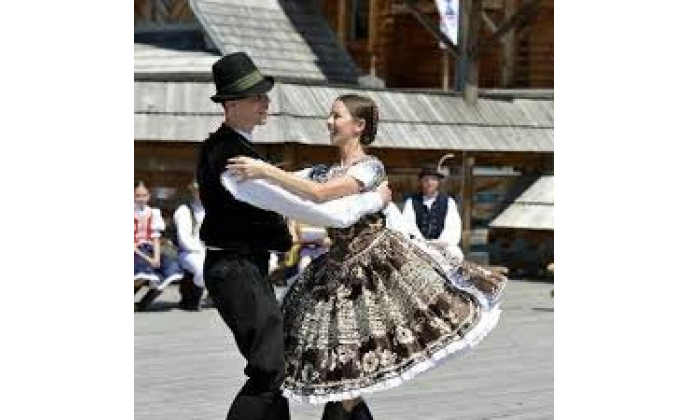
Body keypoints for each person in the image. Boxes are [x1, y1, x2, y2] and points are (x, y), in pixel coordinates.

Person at [225, 94, 507, 420]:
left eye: (336, 116)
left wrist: (266, 171)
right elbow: (298, 185)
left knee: (350, 382)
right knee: (345, 379)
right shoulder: (326, 170)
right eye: (330, 116)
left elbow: (320, 194)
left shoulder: (371, 168)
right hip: (334, 271)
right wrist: (253, 176)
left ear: (358, 126)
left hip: (375, 273)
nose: (329, 122)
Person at [196, 52, 392, 420]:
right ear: (232, 104)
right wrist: (371, 201)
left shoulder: (240, 153)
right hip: (236, 268)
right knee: (273, 368)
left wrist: (270, 172)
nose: (266, 102)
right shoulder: (234, 161)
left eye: (264, 95)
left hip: (255, 267)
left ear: (359, 126)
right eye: (257, 97)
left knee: (298, 369)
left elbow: (301, 186)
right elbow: (314, 206)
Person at [134, 180, 184, 311]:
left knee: (170, 269)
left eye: (144, 195)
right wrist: (148, 259)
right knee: (141, 274)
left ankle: (144, 302)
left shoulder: (153, 212)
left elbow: (155, 238)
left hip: (149, 248)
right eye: (137, 195)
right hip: (135, 250)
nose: (141, 199)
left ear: (149, 195)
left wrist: (155, 257)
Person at [401, 164, 464, 262]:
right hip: (419, 246)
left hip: (442, 246)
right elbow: (408, 226)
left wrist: (439, 243)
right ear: (421, 181)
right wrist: (422, 243)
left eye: (433, 179)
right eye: (426, 180)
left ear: (438, 182)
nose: (429, 183)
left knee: (456, 255)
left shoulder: (448, 201)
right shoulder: (411, 201)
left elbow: (453, 226)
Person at [173, 180, 206, 311]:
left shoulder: (213, 210)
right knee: (202, 267)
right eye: (198, 190)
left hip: (208, 250)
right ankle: (192, 297)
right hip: (189, 252)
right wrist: (202, 250)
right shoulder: (184, 210)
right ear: (193, 192)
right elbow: (184, 239)